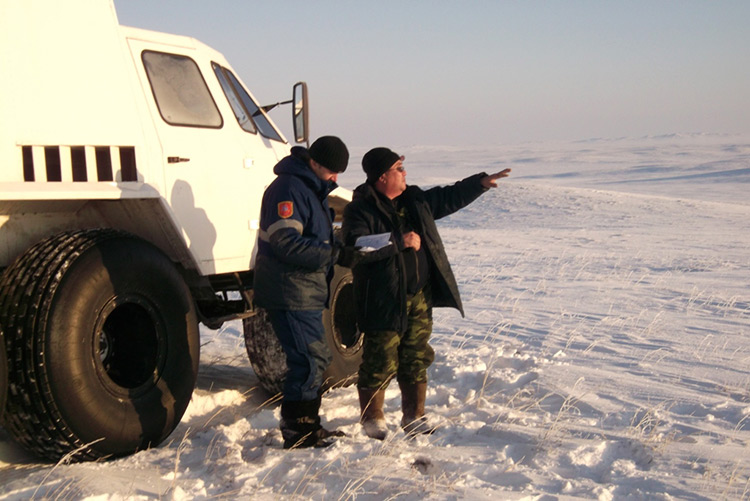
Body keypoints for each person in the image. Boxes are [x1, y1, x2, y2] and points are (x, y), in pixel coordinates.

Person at [341, 147, 511, 440]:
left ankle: (414, 417)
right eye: (398, 169)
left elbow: (447, 197)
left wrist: (479, 184)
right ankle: (373, 421)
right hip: (382, 299)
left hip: (418, 297)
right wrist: (398, 240)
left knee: (416, 356)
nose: (405, 173)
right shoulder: (361, 208)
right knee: (380, 360)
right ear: (382, 176)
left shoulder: (414, 200)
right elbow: (356, 247)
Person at [253, 136, 349, 449]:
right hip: (290, 289)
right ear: (315, 163)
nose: (336, 178)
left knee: (313, 358)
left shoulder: (311, 189)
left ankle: (308, 425)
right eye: (332, 171)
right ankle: (298, 431)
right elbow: (285, 242)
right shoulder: (289, 189)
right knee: (308, 360)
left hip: (304, 289)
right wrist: (333, 254)